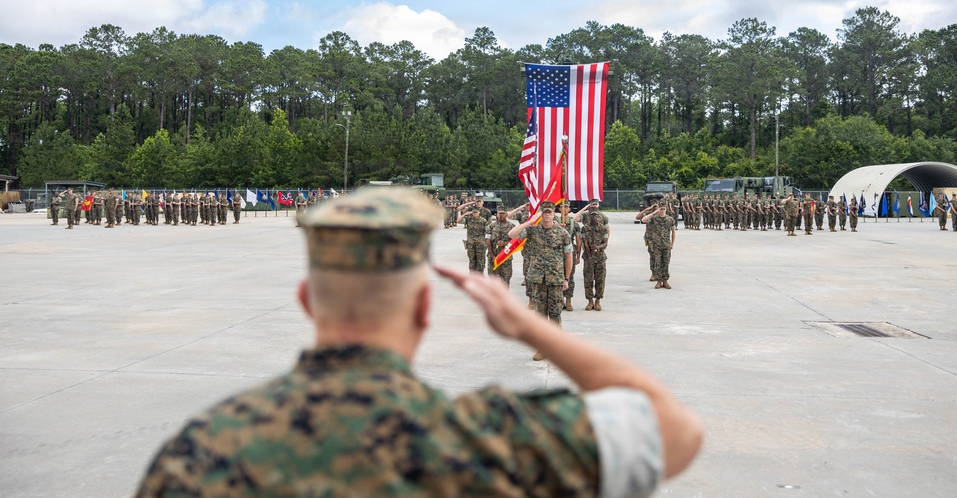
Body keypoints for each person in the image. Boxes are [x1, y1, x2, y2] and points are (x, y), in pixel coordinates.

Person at [134, 187, 702, 497]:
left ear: (308, 299)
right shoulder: (490, 440)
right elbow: (673, 432)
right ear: (425, 305)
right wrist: (532, 327)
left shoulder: (202, 452)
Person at [508, 200, 572, 359]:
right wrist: (529, 221)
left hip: (556, 278)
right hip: (537, 278)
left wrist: (566, 278)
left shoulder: (562, 233)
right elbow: (512, 234)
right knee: (540, 315)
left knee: (555, 314)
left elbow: (568, 256)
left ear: (554, 213)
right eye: (544, 212)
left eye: (550, 212)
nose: (547, 215)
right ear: (540, 214)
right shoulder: (532, 231)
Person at [640, 202, 676, 290]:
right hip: (657, 245)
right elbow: (643, 220)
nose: (662, 211)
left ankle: (665, 280)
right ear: (659, 210)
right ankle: (659, 281)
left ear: (666, 210)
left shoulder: (670, 219)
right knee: (658, 263)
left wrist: (672, 244)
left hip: (666, 244)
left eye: (664, 209)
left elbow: (673, 231)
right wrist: (653, 213)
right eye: (661, 209)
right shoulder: (654, 219)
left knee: (666, 263)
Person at [582, 201, 610, 309]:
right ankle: (590, 301)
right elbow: (584, 242)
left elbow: (605, 243)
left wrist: (598, 247)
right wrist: (589, 255)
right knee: (588, 279)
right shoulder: (585, 228)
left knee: (600, 279)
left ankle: (598, 300)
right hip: (588, 256)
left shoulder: (603, 228)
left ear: (599, 216)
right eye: (592, 215)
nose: (594, 217)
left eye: (596, 215)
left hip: (600, 257)